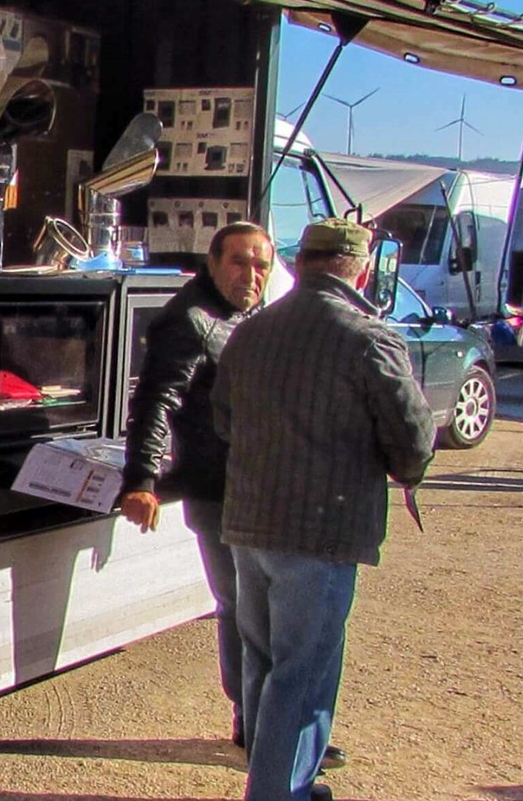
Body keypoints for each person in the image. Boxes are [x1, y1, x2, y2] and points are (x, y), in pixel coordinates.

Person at [213, 219, 436, 801]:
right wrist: (406, 471)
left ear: (304, 261)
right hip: (320, 529)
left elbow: (223, 422)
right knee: (303, 671)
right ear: (358, 268)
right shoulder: (367, 335)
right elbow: (412, 435)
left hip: (248, 521)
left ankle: (283, 783)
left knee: (263, 663)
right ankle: (278, 792)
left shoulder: (251, 331)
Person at [121, 222, 357, 767]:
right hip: (217, 489)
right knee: (245, 617)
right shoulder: (190, 321)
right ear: (212, 261)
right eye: (239, 263)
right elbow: (156, 402)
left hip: (253, 488)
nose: (252, 275)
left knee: (261, 618)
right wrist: (142, 480)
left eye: (262, 265)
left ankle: (271, 730)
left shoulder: (243, 315)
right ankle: (261, 729)